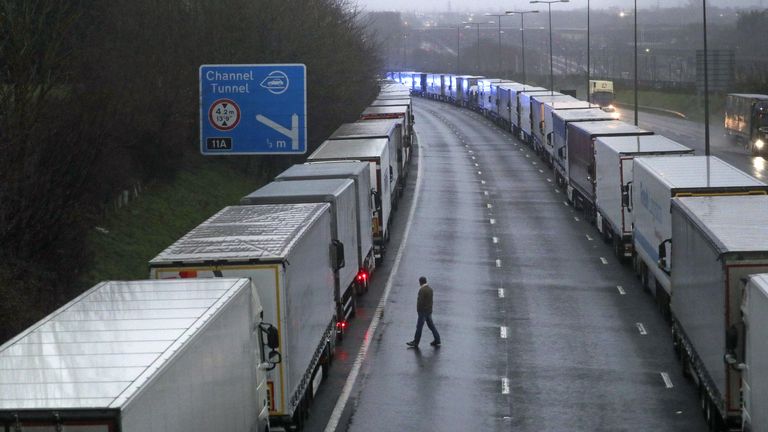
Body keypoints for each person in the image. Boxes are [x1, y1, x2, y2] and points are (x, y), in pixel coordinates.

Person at [407, 276, 441, 348]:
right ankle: (437, 339)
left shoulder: (422, 290)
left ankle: (416, 342)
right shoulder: (430, 289)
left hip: (422, 312)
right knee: (431, 326)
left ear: (421, 282)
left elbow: (420, 302)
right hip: (429, 311)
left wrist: (418, 310)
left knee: (419, 327)